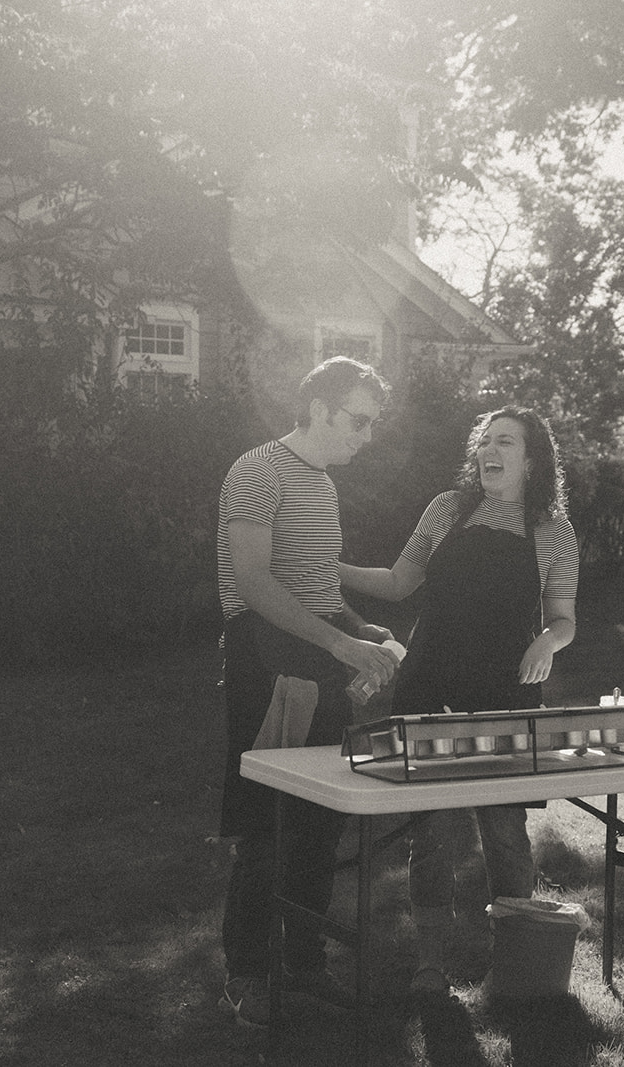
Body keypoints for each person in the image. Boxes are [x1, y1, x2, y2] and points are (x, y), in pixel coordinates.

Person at [340, 405, 578, 994]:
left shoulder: (552, 530)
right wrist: (329, 568)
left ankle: (520, 963)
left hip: (504, 690)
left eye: (506, 442)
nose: (489, 452)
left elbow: (565, 619)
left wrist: (547, 642)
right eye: (485, 442)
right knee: (434, 826)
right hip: (431, 682)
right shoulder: (447, 510)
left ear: (531, 459)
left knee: (504, 827)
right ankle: (430, 963)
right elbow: (400, 582)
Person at [215, 356, 403, 1029]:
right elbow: (257, 586)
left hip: (318, 661)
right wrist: (341, 645)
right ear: (319, 408)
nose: (366, 434)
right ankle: (248, 974)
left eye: (372, 423)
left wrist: (365, 629)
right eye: (358, 419)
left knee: (322, 821)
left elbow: (318, 589)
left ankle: (303, 961)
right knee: (267, 827)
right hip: (265, 666)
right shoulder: (257, 470)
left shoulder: (321, 482)